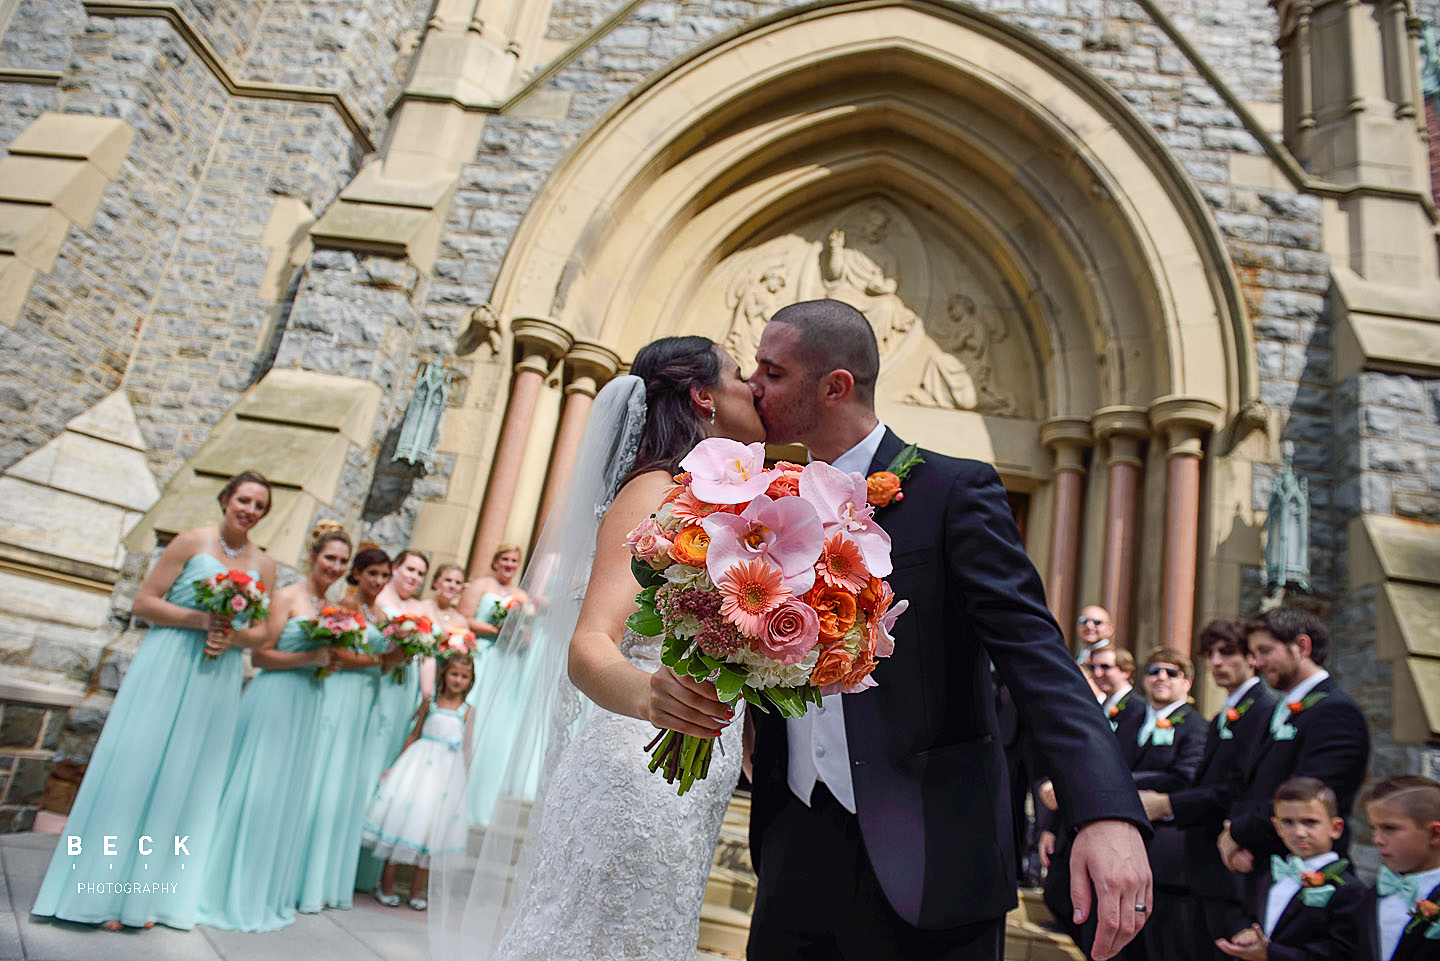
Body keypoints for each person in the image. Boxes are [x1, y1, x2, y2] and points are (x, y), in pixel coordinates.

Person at [738, 299, 1150, 961]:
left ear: (835, 386)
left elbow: (1038, 659)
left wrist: (1105, 810)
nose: (754, 386)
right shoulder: (763, 500)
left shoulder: (954, 491)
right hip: (794, 848)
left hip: (930, 859)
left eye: (772, 372)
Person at [437, 335, 766, 961]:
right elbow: (589, 643)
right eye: (738, 374)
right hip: (640, 761)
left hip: (700, 764)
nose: (752, 386)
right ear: (703, 398)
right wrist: (651, 694)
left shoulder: (734, 503)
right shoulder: (655, 492)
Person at [31, 470, 276, 930]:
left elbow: (262, 632)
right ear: (225, 499)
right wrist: (203, 620)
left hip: (216, 676)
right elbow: (144, 603)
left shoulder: (264, 565)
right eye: (243, 500)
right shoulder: (190, 542)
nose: (249, 511)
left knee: (189, 778)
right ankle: (99, 893)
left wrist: (232, 636)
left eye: (259, 506)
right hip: (168, 662)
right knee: (137, 770)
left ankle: (151, 897)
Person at [197, 521, 351, 931]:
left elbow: (318, 656)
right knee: (257, 789)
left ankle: (262, 888)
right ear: (313, 558)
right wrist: (309, 660)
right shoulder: (287, 597)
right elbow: (261, 657)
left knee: (284, 794)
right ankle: (222, 888)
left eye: (342, 561)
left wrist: (328, 663)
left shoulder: (331, 611)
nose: (335, 567)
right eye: (329, 558)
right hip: (276, 700)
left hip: (308, 703)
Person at [1140, 620, 1279, 958]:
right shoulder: (1223, 716)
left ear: (1251, 658)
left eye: (1227, 653)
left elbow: (1241, 787)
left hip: (1236, 863)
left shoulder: (1264, 711)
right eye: (1210, 654)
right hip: (1204, 866)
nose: (1216, 662)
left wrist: (1168, 804)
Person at [1218, 608, 1370, 894]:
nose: (1257, 663)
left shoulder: (1336, 712)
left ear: (1302, 646)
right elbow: (1248, 783)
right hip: (1263, 874)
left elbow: (1312, 797)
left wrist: (1239, 834)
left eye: (1265, 651)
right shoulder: (1279, 710)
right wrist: (1233, 830)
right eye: (1253, 653)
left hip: (1312, 883)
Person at [295, 547, 406, 913]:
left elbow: (389, 667)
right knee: (323, 776)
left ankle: (328, 881)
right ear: (356, 574)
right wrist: (381, 659)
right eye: (372, 573)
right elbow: (339, 655)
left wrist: (406, 653)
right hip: (339, 697)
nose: (378, 581)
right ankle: (301, 877)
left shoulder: (383, 615)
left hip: (367, 703)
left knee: (347, 785)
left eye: (384, 575)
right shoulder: (342, 607)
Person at [364, 652, 475, 911]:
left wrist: (464, 778)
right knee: (402, 822)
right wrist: (394, 766)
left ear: (470, 681)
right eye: (454, 674)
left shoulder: (468, 711)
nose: (458, 680)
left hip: (446, 775)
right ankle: (386, 885)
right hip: (417, 769)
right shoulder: (430, 703)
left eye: (464, 676)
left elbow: (467, 748)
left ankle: (416, 892)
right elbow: (413, 735)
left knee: (431, 832)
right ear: (444, 674)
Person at [1216, 777, 1364, 960]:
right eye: (1288, 822)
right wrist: (1247, 933)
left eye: (1310, 822)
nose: (1299, 833)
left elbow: (1340, 953)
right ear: (1277, 827)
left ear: (1336, 828)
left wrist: (1271, 954)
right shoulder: (1270, 873)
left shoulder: (1349, 890)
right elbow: (1249, 914)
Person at [1125, 648, 1208, 960]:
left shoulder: (1195, 726)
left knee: (1163, 943)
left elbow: (1183, 778)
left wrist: (1123, 783)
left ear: (1187, 683)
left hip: (1165, 851)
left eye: (1171, 673)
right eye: (1154, 671)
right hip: (1130, 839)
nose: (1161, 677)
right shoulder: (1132, 720)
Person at [356, 548, 431, 892]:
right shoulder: (380, 603)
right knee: (369, 759)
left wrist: (426, 696)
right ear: (394, 569)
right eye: (409, 569)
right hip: (382, 685)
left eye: (420, 573)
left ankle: (368, 869)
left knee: (389, 766)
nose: (414, 578)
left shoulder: (417, 611)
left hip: (406, 691)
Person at [1360, 775, 1440, 961]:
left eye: (1389, 828)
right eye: (1374, 828)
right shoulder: (1372, 895)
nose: (1377, 840)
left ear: (1435, 834)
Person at [459, 545, 529, 642]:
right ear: (496, 561)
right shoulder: (481, 584)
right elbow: (462, 619)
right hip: (480, 643)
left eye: (514, 561)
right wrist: (497, 630)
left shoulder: (522, 595)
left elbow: (527, 626)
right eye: (505, 559)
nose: (509, 564)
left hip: (506, 650)